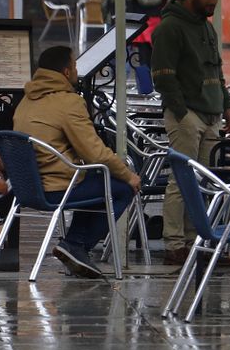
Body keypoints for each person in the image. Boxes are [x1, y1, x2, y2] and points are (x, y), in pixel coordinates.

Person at [13, 45, 139, 278]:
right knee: (121, 188)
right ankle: (76, 245)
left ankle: (74, 245)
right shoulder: (67, 102)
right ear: (66, 71)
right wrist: (129, 175)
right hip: (56, 189)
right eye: (75, 66)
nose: (77, 71)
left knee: (97, 179)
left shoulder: (26, 100)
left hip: (27, 188)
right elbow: (95, 153)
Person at [151, 0, 230, 266]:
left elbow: (218, 71)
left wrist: (227, 106)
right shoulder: (170, 28)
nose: (213, 2)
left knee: (202, 183)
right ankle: (174, 244)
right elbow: (163, 76)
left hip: (212, 115)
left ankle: (195, 241)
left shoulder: (206, 28)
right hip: (186, 116)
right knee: (180, 181)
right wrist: (182, 112)